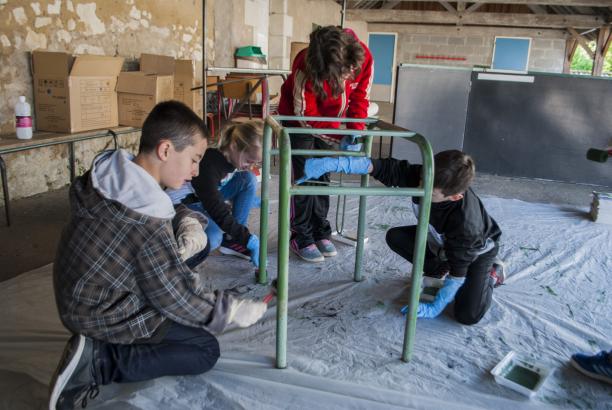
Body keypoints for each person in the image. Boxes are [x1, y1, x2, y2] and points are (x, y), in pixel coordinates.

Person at [49, 101, 267, 410]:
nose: (195, 171)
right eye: (193, 159)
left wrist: (185, 218)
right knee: (204, 349)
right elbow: (173, 296)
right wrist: (227, 311)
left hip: (76, 291)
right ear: (165, 150)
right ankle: (98, 362)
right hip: (98, 310)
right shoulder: (146, 225)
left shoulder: (111, 172)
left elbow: (153, 205)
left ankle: (98, 348)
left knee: (195, 250)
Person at [297, 150, 504, 325]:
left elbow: (459, 272)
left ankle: (492, 273)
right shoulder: (425, 176)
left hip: (476, 252)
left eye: (430, 192)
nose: (421, 189)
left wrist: (436, 305)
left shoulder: (467, 224)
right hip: (440, 241)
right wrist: (334, 163)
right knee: (397, 237)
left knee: (467, 315)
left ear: (455, 196)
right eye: (422, 180)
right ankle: (439, 268)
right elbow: (380, 167)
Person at [277, 25, 374, 263]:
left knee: (323, 176)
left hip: (333, 122)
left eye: (350, 71)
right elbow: (305, 115)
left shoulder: (364, 57)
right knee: (303, 177)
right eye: (341, 75)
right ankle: (301, 236)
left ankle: (321, 231)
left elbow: (360, 97)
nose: (348, 78)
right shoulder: (304, 64)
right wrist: (338, 138)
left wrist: (354, 132)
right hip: (299, 122)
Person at [166, 121, 262, 268]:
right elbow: (216, 208)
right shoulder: (209, 165)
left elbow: (216, 195)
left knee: (247, 179)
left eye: (255, 163)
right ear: (234, 146)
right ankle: (176, 265)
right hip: (182, 204)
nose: (251, 166)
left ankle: (233, 240)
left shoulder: (231, 159)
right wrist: (247, 238)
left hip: (201, 198)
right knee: (213, 237)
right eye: (249, 161)